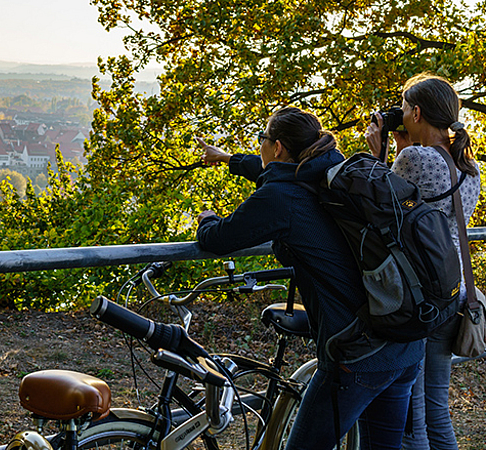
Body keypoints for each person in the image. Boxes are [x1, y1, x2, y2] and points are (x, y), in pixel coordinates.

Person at [196, 106, 424, 450]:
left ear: (277, 148)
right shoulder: (335, 173)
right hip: (403, 341)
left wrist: (207, 219)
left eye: (262, 140)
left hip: (357, 354)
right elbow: (271, 173)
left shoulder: (281, 198)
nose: (260, 147)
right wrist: (227, 159)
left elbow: (217, 239)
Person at [365, 73, 481, 450]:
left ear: (416, 111)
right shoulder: (469, 166)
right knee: (437, 410)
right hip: (456, 290)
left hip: (419, 297)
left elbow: (378, 206)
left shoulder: (412, 157)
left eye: (402, 107)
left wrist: (377, 153)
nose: (399, 113)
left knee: (412, 421)